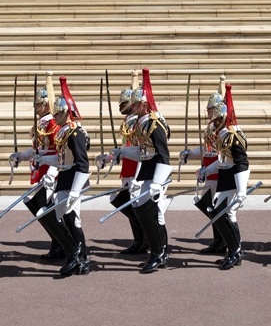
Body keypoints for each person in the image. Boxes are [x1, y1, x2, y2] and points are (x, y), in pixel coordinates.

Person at [37, 75, 92, 277]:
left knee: (72, 220)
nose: (56, 116)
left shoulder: (75, 133)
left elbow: (82, 163)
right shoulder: (63, 132)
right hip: (64, 179)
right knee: (66, 220)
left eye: (59, 113)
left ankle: (80, 258)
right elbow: (62, 160)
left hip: (72, 181)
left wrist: (76, 190)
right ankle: (76, 257)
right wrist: (43, 160)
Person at [9, 72, 67, 260]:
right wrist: (22, 156)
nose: (34, 107)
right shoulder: (41, 123)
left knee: (46, 209)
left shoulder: (52, 124)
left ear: (45, 104)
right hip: (42, 171)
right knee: (41, 208)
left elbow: (59, 153)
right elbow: (38, 149)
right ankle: (58, 242)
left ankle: (62, 243)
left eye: (37, 104)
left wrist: (51, 173)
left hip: (53, 173)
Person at [121, 68, 172, 273]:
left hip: (156, 173)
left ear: (143, 104)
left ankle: (158, 253)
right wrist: (122, 152)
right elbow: (143, 152)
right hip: (147, 171)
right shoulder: (143, 123)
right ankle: (159, 252)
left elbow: (163, 154)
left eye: (134, 104)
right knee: (148, 213)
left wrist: (159, 183)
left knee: (152, 214)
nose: (131, 107)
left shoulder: (153, 123)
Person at [196, 83, 250, 270]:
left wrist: (242, 190)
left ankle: (235, 251)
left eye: (217, 118)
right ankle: (233, 250)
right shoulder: (223, 134)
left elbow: (242, 162)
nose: (214, 121)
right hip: (225, 178)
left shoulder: (232, 135)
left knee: (228, 214)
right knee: (220, 214)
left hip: (233, 179)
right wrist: (206, 170)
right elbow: (222, 160)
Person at [96, 74, 146, 254]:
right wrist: (110, 158)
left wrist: (138, 176)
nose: (121, 107)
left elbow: (141, 150)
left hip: (137, 170)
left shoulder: (138, 123)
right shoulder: (128, 122)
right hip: (128, 169)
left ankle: (146, 239)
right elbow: (125, 149)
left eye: (124, 103)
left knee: (136, 207)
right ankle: (139, 240)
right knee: (128, 206)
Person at [179, 78, 225, 254]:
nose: (208, 111)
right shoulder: (211, 128)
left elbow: (222, 155)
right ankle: (218, 239)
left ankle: (223, 240)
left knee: (215, 208)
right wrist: (190, 153)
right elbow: (207, 150)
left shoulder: (223, 129)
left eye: (211, 108)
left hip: (218, 173)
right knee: (208, 206)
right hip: (209, 172)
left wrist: (209, 168)